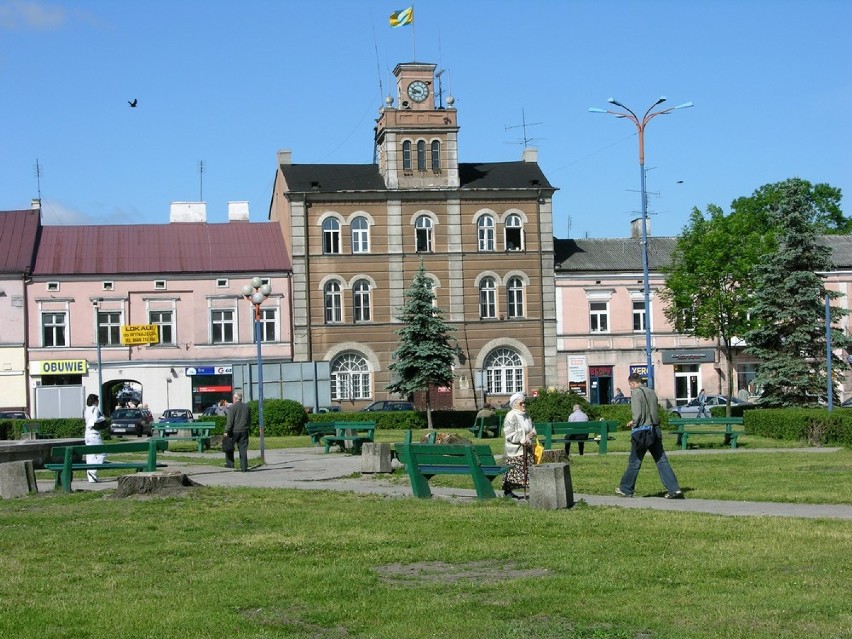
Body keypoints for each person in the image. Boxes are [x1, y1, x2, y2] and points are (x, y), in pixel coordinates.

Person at [616, 373, 684, 499]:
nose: (630, 388)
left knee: (634, 461)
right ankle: (674, 488)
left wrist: (633, 422)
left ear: (632, 383)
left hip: (642, 432)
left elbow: (637, 413)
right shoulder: (651, 392)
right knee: (661, 460)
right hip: (655, 429)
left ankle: (626, 489)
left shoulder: (636, 393)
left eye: (630, 385)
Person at [501, 392, 536, 499]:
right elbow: (509, 434)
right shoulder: (511, 416)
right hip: (515, 450)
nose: (524, 405)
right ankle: (508, 492)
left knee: (529, 470)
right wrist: (522, 439)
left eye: (524, 403)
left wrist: (532, 434)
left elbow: (532, 427)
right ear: (514, 404)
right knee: (514, 473)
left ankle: (532, 491)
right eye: (521, 403)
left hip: (527, 448)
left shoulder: (526, 415)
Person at [83, 393, 107, 483]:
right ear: (95, 401)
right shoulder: (95, 409)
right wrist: (102, 418)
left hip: (87, 434)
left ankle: (91, 477)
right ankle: (93, 471)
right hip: (94, 434)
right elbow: (95, 420)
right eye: (97, 400)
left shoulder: (86, 410)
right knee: (102, 453)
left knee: (90, 455)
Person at [225, 391, 251, 471]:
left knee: (228, 447)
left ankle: (230, 464)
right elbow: (249, 419)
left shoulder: (232, 407)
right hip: (244, 430)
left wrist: (226, 431)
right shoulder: (247, 407)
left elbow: (230, 421)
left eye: (233, 398)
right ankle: (244, 467)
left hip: (234, 431)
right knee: (243, 449)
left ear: (235, 399)